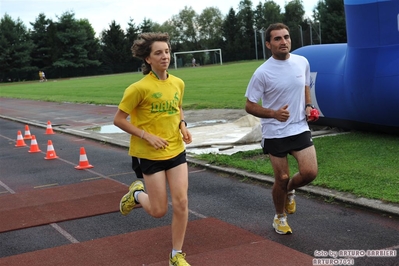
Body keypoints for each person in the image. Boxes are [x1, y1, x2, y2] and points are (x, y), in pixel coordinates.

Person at [114, 32, 193, 266]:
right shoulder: (138, 89)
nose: (164, 56)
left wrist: (183, 125)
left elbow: (177, 108)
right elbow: (118, 119)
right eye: (158, 53)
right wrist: (146, 135)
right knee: (159, 211)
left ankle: (175, 254)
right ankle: (136, 194)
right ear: (148, 59)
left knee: (181, 202)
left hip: (176, 150)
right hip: (149, 154)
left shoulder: (178, 83)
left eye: (167, 51)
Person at [244, 23, 318, 235]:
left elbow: (305, 85)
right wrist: (273, 113)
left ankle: (290, 190)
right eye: (277, 39)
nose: (283, 41)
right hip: (274, 131)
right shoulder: (262, 73)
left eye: (286, 37)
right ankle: (280, 217)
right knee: (282, 178)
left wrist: (308, 106)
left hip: (299, 127)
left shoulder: (302, 62)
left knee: (310, 172)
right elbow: (249, 105)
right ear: (269, 44)